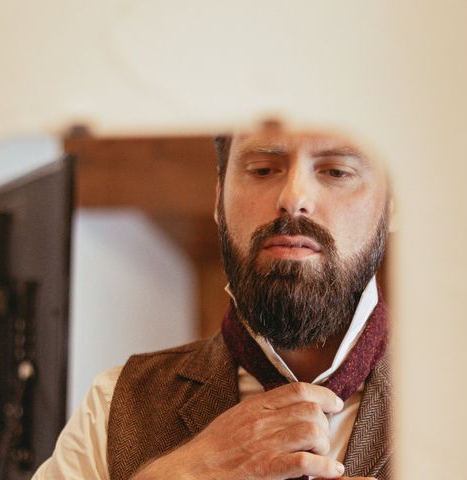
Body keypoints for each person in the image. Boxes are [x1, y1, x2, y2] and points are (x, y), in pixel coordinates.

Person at [33, 121, 393, 480]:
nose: (293, 198)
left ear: (392, 206)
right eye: (263, 169)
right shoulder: (113, 408)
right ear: (219, 200)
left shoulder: (449, 407)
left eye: (336, 171)